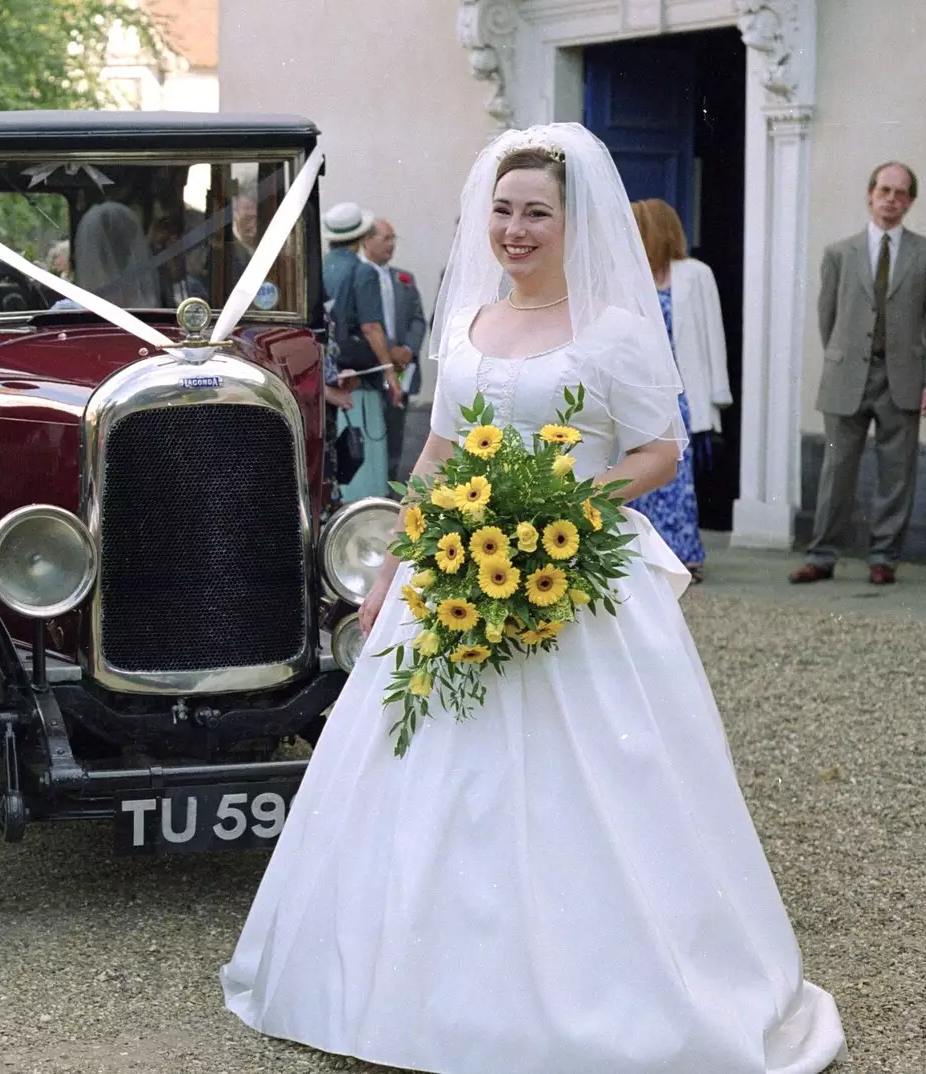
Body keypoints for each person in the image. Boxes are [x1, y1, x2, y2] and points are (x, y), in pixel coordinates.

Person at [222, 124, 845, 1074]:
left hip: (575, 577)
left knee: (599, 786)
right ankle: (409, 988)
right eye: (502, 211)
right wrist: (393, 565)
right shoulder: (467, 324)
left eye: (535, 213)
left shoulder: (615, 333)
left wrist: (564, 504)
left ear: (571, 220)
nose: (515, 230)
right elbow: (437, 451)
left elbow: (661, 450)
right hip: (456, 571)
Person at [790, 161, 926, 586]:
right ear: (870, 193)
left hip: (903, 376)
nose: (890, 199)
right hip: (848, 376)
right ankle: (821, 556)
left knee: (897, 473)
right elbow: (829, 318)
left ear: (911, 201)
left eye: (900, 193)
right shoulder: (840, 253)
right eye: (884, 190)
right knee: (836, 470)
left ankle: (884, 557)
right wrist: (846, 358)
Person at [628, 197, 732, 581]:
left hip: (678, 396)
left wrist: (717, 396)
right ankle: (641, 555)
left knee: (675, 480)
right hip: (636, 394)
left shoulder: (695, 274)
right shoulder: (627, 277)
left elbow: (712, 336)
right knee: (637, 478)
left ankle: (683, 555)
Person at [323, 202, 403, 502]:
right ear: (360, 236)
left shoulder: (322, 266)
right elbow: (371, 326)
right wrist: (389, 371)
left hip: (329, 379)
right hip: (362, 379)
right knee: (366, 452)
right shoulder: (362, 271)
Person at [359, 217, 429, 480]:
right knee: (371, 437)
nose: (392, 245)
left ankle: (392, 487)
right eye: (386, 238)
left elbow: (418, 319)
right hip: (372, 369)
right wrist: (389, 351)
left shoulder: (403, 278)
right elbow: (364, 323)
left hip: (403, 369)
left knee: (396, 436)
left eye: (393, 239)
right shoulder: (359, 276)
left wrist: (408, 349)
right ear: (366, 240)